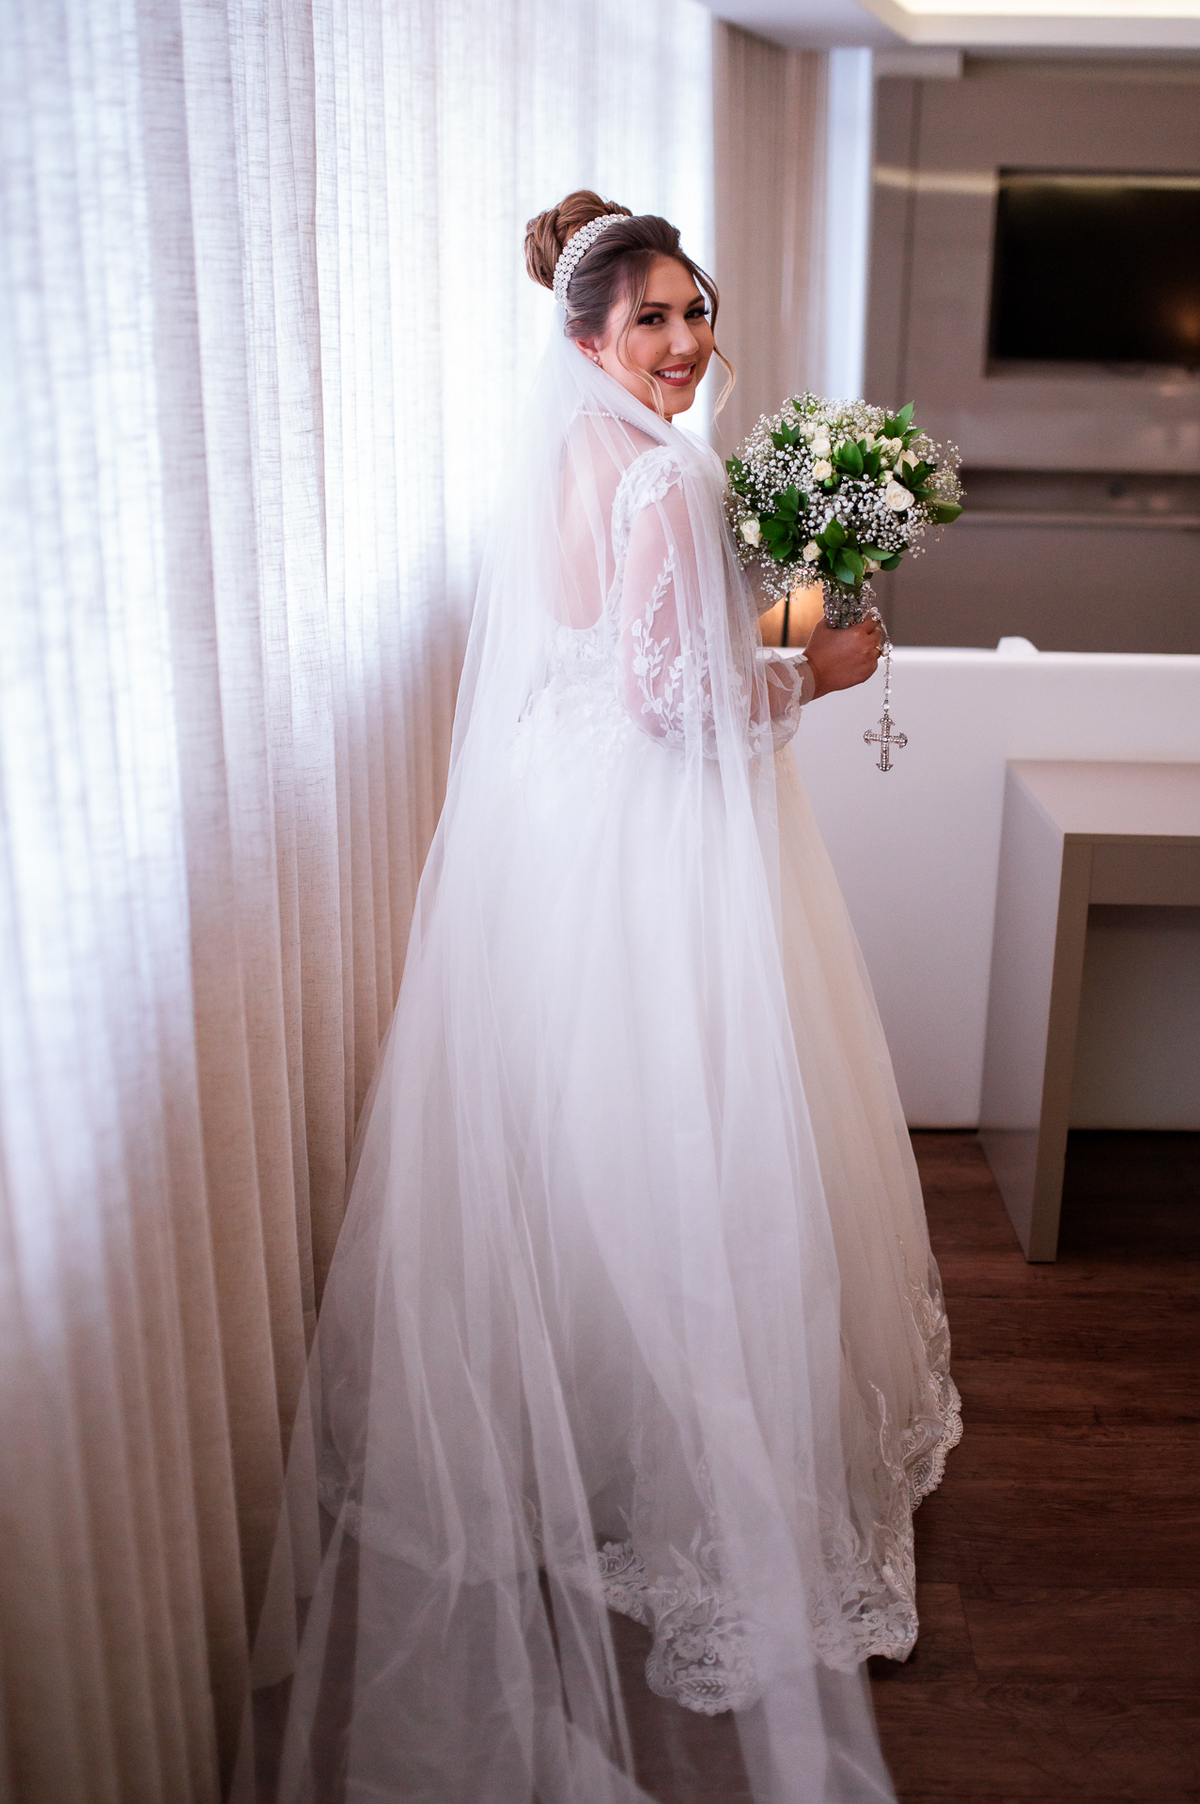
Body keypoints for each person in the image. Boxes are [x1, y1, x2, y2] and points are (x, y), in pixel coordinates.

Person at [237, 192, 960, 1804]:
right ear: (588, 339)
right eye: (653, 320)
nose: (687, 342)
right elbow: (676, 699)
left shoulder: (571, 458)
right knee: (693, 1145)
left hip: (553, 838)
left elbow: (657, 637)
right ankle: (692, 1474)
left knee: (582, 1143)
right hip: (655, 846)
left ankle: (572, 1442)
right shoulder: (663, 476)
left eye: (697, 311)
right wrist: (825, 668)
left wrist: (803, 596)